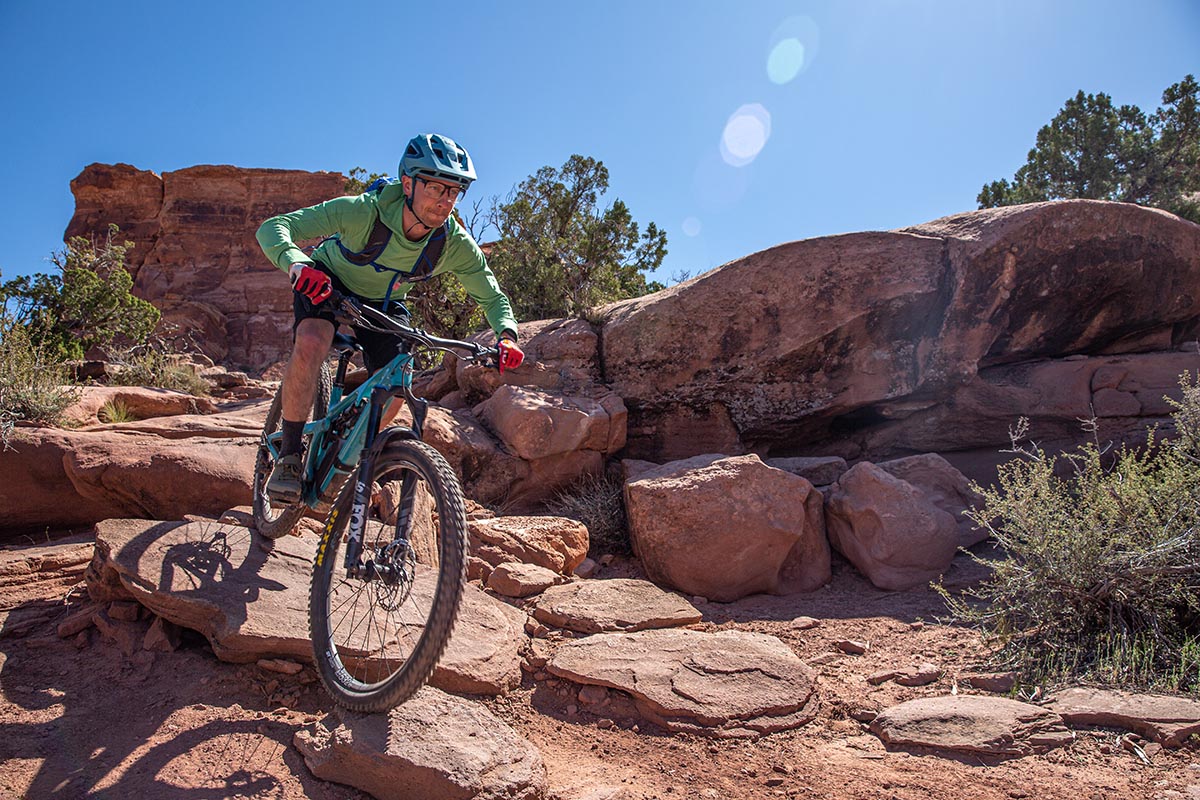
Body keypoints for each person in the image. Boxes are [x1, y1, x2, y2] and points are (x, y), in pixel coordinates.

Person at [255, 132, 524, 501]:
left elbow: (490, 294)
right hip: (328, 283)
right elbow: (274, 228)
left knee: (399, 381)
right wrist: (297, 264)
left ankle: (342, 466)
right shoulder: (362, 211)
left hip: (381, 303)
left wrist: (506, 335)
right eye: (436, 188)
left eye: (454, 191)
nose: (446, 201)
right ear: (408, 183)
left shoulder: (453, 244)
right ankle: (288, 455)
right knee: (313, 340)